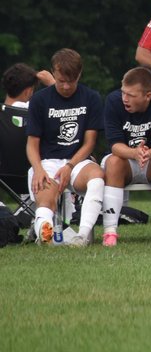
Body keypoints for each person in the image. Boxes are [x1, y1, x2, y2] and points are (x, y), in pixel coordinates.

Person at [89, 67, 151, 246]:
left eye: (131, 95)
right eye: (123, 93)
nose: (125, 99)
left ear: (148, 96)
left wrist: (147, 153)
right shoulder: (114, 101)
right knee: (114, 162)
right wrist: (134, 153)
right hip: (125, 160)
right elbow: (115, 146)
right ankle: (110, 232)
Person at [24, 49, 106, 245]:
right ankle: (45, 233)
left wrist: (70, 166)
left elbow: (90, 142)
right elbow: (31, 144)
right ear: (53, 73)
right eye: (61, 81)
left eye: (72, 80)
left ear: (79, 75)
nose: (67, 86)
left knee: (97, 177)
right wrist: (38, 169)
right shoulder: (40, 100)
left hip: (78, 160)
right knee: (45, 197)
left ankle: (82, 236)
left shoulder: (91, 97)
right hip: (47, 162)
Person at [2, 64, 45, 201]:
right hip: (35, 176)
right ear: (28, 91)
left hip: (3, 178)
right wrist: (52, 84)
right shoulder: (39, 113)